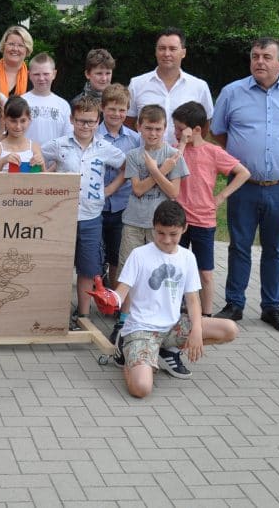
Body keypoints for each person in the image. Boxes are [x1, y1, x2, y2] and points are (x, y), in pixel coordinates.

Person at [210, 38, 279, 334]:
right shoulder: (232, 93)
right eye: (255, 56)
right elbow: (219, 133)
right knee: (239, 246)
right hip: (243, 186)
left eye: (267, 57)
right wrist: (244, 162)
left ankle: (272, 307)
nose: (260, 61)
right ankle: (234, 303)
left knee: (274, 248)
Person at [110, 200, 239, 397]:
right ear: (153, 228)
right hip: (141, 329)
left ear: (184, 229)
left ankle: (166, 350)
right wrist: (110, 298)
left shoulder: (187, 257)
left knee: (229, 329)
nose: (167, 240)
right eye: (160, 233)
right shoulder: (139, 255)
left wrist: (196, 330)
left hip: (173, 325)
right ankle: (127, 353)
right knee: (141, 389)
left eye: (173, 234)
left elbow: (193, 299)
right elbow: (122, 290)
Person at [114, 103, 189, 374]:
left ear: (165, 129)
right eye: (148, 128)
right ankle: (124, 323)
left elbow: (174, 193)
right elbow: (136, 189)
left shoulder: (174, 155)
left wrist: (158, 168)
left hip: (160, 228)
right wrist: (160, 170)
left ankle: (155, 324)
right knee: (128, 274)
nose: (153, 133)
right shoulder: (135, 154)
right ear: (139, 127)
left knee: (156, 274)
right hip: (134, 221)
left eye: (158, 129)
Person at [40, 96, 126, 329]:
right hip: (62, 215)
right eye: (80, 121)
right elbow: (37, 158)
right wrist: (47, 178)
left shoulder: (105, 148)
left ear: (98, 121)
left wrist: (109, 189)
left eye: (90, 122)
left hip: (91, 215)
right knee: (60, 265)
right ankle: (56, 312)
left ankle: (83, 316)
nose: (85, 126)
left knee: (88, 267)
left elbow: (126, 167)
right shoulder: (59, 145)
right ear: (72, 120)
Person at [171, 101, 250, 316]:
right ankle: (173, 309)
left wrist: (222, 196)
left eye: (180, 128)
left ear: (196, 130)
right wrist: (181, 144)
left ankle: (206, 315)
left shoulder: (213, 152)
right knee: (176, 268)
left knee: (205, 272)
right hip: (179, 219)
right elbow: (172, 165)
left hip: (203, 220)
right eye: (175, 128)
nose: (176, 132)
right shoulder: (176, 150)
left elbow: (243, 173)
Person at [125, 28, 213, 144]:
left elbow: (205, 125)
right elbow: (128, 122)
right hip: (145, 157)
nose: (167, 54)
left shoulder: (199, 86)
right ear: (156, 51)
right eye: (162, 48)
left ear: (183, 53)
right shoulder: (137, 84)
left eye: (173, 49)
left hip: (184, 158)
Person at [97, 84, 141, 288]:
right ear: (102, 108)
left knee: (117, 254)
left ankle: (113, 298)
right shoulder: (92, 135)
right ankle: (91, 295)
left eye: (122, 109)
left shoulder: (135, 139)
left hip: (122, 205)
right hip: (94, 204)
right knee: (94, 254)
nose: (116, 114)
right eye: (112, 109)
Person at [22, 53, 72, 146]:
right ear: (29, 75)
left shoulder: (63, 105)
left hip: (55, 159)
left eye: (46, 74)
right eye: (36, 74)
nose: (41, 78)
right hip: (26, 158)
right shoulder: (21, 102)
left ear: (54, 74)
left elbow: (68, 138)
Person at [0, 96, 46, 172]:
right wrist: (2, 162)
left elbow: (45, 181)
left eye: (23, 121)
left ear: (29, 120)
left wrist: (42, 165)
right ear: (4, 119)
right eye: (13, 121)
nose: (18, 126)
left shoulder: (34, 147)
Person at [0, 25, 34, 97]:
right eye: (11, 44)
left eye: (20, 45)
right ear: (4, 46)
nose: (15, 49)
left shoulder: (32, 77)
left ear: (27, 50)